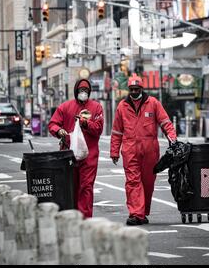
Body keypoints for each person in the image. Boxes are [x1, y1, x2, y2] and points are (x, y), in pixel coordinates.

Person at [110, 73, 177, 226]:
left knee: (148, 182)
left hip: (150, 149)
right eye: (132, 89)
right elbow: (117, 131)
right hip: (130, 149)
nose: (134, 92)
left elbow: (165, 122)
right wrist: (114, 151)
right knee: (133, 181)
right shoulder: (122, 106)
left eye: (137, 89)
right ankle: (135, 214)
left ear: (141, 88)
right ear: (128, 89)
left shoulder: (153, 103)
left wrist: (173, 139)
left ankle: (143, 212)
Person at [48, 79, 104, 218]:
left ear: (89, 92)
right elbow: (53, 124)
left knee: (86, 187)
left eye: (86, 91)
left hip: (89, 155)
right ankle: (72, 216)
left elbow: (98, 129)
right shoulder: (65, 107)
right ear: (76, 92)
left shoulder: (96, 107)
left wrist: (85, 123)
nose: (83, 93)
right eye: (81, 91)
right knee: (70, 187)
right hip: (69, 155)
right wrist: (59, 130)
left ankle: (85, 218)